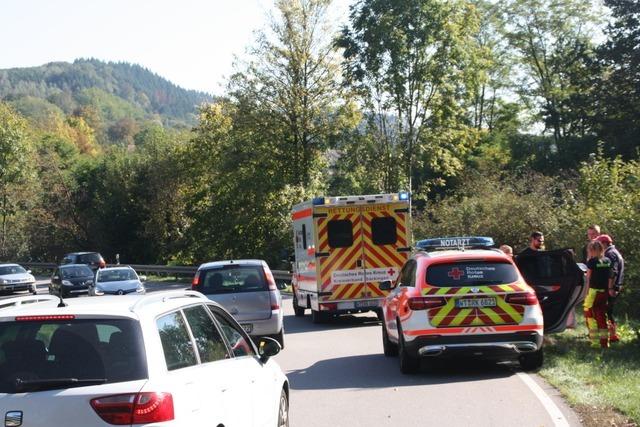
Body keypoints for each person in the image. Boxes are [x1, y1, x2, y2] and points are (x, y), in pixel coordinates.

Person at [584, 240, 614, 348]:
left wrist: (586, 293)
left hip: (593, 292)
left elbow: (588, 278)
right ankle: (605, 343)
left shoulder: (591, 262)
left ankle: (595, 343)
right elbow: (611, 276)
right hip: (604, 292)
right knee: (602, 316)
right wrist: (610, 288)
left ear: (592, 250)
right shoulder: (608, 260)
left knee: (590, 315)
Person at [596, 234, 624, 343]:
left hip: (611, 288)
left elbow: (613, 272)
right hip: (615, 287)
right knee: (608, 311)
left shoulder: (610, 254)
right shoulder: (614, 252)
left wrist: (610, 288)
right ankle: (611, 335)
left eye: (599, 244)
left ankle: (612, 336)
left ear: (604, 243)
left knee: (607, 312)